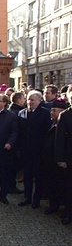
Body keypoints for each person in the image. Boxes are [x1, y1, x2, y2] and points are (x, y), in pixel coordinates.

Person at [17, 90, 51, 208]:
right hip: (25, 150)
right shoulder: (21, 113)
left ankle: (37, 198)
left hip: (39, 150)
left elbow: (48, 133)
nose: (30, 102)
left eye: (32, 100)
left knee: (38, 175)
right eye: (28, 99)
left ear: (39, 101)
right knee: (27, 175)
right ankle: (27, 197)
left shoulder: (45, 114)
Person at [42, 98, 67, 216]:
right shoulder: (49, 123)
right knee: (51, 184)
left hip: (60, 161)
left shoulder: (64, 125)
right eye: (51, 110)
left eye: (55, 111)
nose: (52, 113)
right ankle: (53, 205)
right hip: (48, 161)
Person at [55, 85, 72, 224]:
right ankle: (67, 212)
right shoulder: (65, 115)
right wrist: (60, 159)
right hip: (69, 157)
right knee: (68, 187)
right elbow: (59, 139)